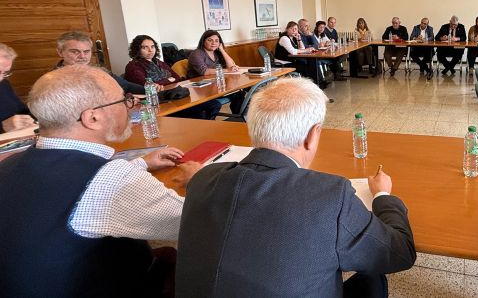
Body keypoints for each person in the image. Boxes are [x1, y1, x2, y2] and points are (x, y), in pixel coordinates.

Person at [176, 77, 416, 297]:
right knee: (372, 279)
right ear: (313, 135)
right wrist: (383, 195)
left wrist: (202, 175)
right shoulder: (332, 196)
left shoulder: (203, 180)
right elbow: (400, 253)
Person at [0, 65, 201, 297]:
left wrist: (141, 163)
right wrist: (197, 182)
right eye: (123, 100)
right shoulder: (111, 178)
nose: (132, 105)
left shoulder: (9, 163)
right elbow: (192, 222)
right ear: (92, 117)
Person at [124, 35, 221, 120]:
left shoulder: (158, 62)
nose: (150, 50)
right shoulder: (133, 66)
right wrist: (168, 80)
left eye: (152, 46)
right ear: (137, 49)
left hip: (173, 95)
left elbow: (176, 78)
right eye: (145, 47)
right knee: (200, 111)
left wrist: (162, 82)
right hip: (158, 102)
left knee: (214, 105)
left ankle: (205, 127)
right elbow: (146, 87)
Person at [55, 31, 146, 95]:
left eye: (86, 51)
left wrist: (153, 91)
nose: (82, 56)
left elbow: (127, 87)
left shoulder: (100, 71)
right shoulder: (54, 81)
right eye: (75, 52)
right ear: (60, 52)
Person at [0, 43, 35, 134]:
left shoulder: (4, 84)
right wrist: (2, 126)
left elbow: (21, 110)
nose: (1, 78)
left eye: (5, 73)